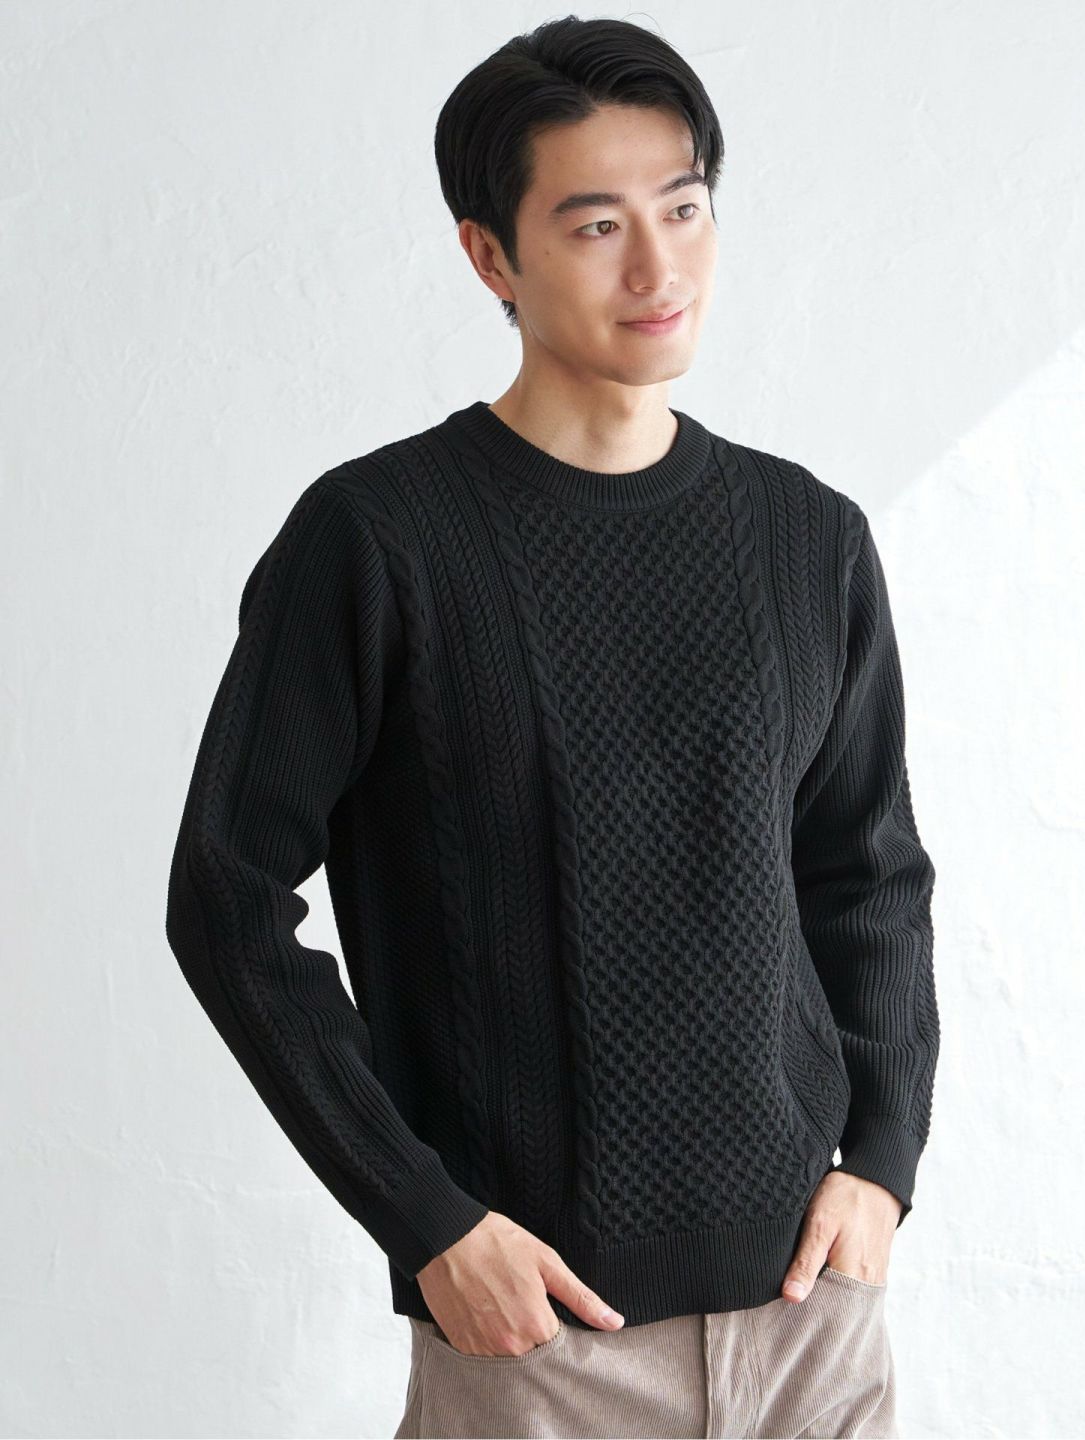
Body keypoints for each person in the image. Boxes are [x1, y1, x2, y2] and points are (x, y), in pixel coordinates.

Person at [165, 15, 940, 1439]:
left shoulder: (807, 537)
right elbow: (226, 897)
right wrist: (427, 1221)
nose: (658, 268)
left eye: (684, 209)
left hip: (810, 1320)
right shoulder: (379, 540)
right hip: (539, 1340)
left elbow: (867, 870)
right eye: (595, 226)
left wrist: (883, 1159)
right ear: (490, 257)